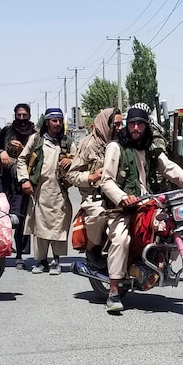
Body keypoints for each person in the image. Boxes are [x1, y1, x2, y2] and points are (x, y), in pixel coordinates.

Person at [100, 106, 183, 313]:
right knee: (121, 238)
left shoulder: (149, 148)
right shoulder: (116, 147)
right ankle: (114, 290)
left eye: (139, 124)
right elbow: (106, 181)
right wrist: (123, 198)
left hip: (148, 202)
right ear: (126, 126)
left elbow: (169, 168)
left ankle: (159, 264)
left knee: (170, 226)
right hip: (123, 208)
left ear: (146, 126)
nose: (135, 128)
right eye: (131, 124)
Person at [16, 108, 75, 275]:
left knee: (59, 225)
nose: (57, 124)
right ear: (47, 122)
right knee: (40, 227)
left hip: (59, 191)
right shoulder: (36, 139)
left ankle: (56, 260)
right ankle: (41, 261)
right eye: (54, 120)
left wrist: (69, 160)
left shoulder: (67, 142)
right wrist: (25, 180)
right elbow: (21, 159)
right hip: (39, 191)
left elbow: (79, 160)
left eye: (59, 120)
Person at [66, 107, 122, 259]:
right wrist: (92, 177)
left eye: (121, 124)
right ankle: (92, 249)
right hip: (94, 196)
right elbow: (71, 175)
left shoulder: (121, 142)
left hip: (118, 193)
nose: (120, 128)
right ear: (106, 124)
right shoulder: (88, 144)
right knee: (100, 215)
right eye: (116, 125)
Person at [0, 103, 38, 268]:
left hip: (22, 181)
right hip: (3, 179)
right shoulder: (6, 131)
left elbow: (39, 157)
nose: (22, 118)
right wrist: (1, 152)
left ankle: (19, 254)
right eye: (19, 115)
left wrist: (24, 149)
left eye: (25, 115)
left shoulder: (35, 134)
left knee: (20, 217)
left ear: (29, 115)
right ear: (15, 115)